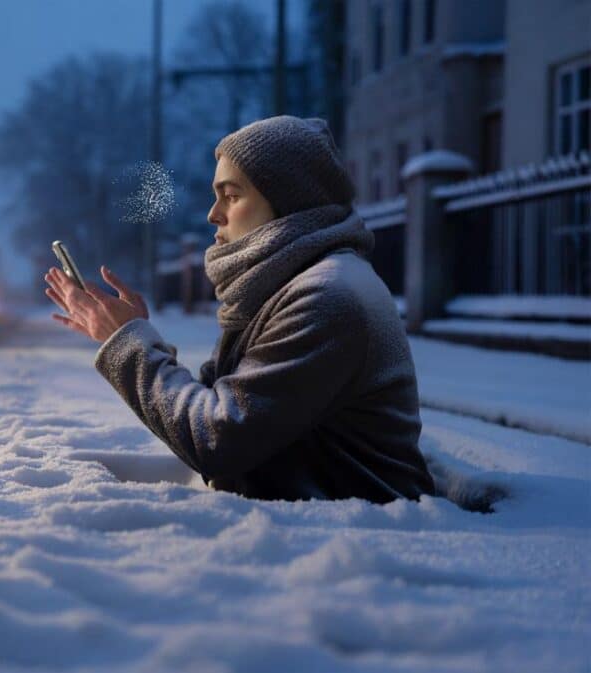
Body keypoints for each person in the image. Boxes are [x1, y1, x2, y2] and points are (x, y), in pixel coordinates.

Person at [44, 115, 435, 503]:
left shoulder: (326, 297)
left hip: (358, 535)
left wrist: (127, 342)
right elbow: (217, 409)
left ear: (290, 201)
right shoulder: (286, 285)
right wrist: (138, 335)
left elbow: (216, 441)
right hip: (319, 513)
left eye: (231, 195)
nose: (214, 214)